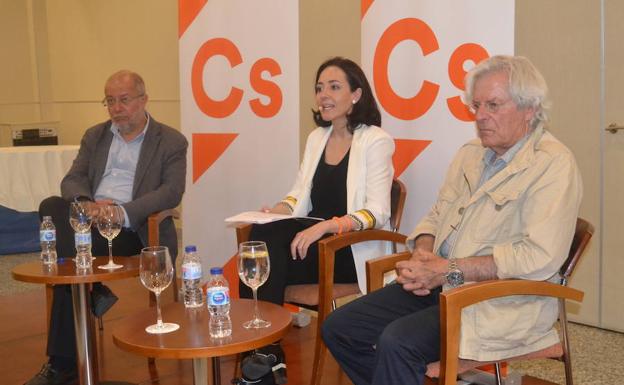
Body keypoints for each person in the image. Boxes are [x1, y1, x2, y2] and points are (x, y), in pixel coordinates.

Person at [322, 55, 583, 385]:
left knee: (397, 342)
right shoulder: (471, 153)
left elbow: (539, 257)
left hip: (498, 300)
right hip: (445, 283)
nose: (481, 117)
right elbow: (436, 214)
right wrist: (425, 254)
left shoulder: (553, 165)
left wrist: (447, 269)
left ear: (529, 109)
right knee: (340, 328)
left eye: (493, 105)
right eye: (477, 106)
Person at [25, 70, 188, 385]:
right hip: (89, 223)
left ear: (143, 100)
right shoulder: (95, 136)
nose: (116, 108)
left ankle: (62, 364)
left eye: (124, 100)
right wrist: (87, 203)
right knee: (50, 205)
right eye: (110, 101)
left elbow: (171, 191)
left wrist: (122, 212)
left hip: (133, 230)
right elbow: (72, 179)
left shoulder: (170, 140)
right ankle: (92, 289)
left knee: (69, 265)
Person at [239, 57, 394, 305]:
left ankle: (262, 335)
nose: (323, 95)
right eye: (319, 88)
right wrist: (273, 214)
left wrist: (325, 227)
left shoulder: (376, 140)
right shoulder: (317, 138)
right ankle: (258, 332)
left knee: (268, 257)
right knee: (261, 235)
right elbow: (298, 195)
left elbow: (378, 212)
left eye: (334, 87)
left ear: (356, 94)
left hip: (348, 249)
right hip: (312, 242)